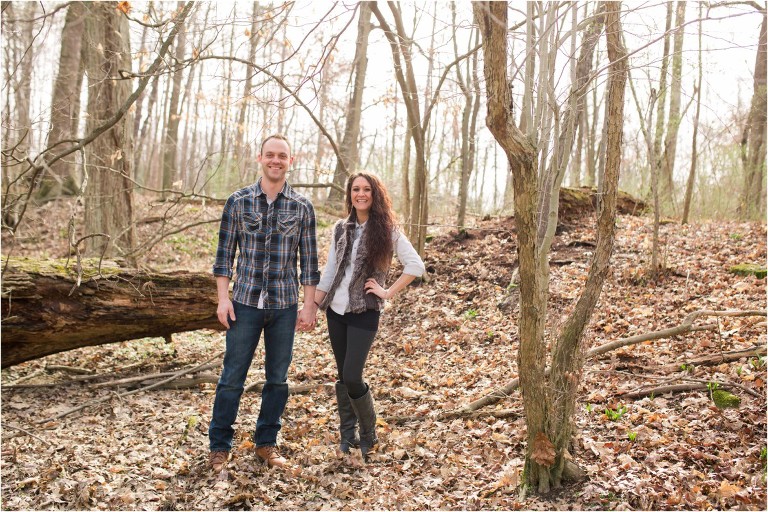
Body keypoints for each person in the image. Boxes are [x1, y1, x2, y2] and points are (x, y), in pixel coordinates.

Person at [208, 134, 320, 471]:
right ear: (260, 158)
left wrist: (310, 305)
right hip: (243, 303)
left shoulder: (302, 207)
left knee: (277, 380)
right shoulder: (238, 202)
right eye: (270, 155)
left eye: (282, 156)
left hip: (284, 306)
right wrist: (223, 299)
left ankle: (266, 443)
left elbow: (310, 263)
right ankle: (219, 447)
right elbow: (224, 257)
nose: (276, 161)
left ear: (291, 161)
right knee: (232, 378)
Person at [315, 172, 425, 461]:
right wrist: (311, 307)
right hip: (336, 311)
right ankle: (346, 434)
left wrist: (387, 292)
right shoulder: (340, 228)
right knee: (342, 376)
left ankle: (369, 433)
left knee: (353, 375)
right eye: (355, 189)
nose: (360, 194)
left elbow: (416, 265)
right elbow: (330, 271)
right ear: (349, 194)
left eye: (366, 189)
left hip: (365, 311)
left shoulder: (387, 230)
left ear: (375, 194)